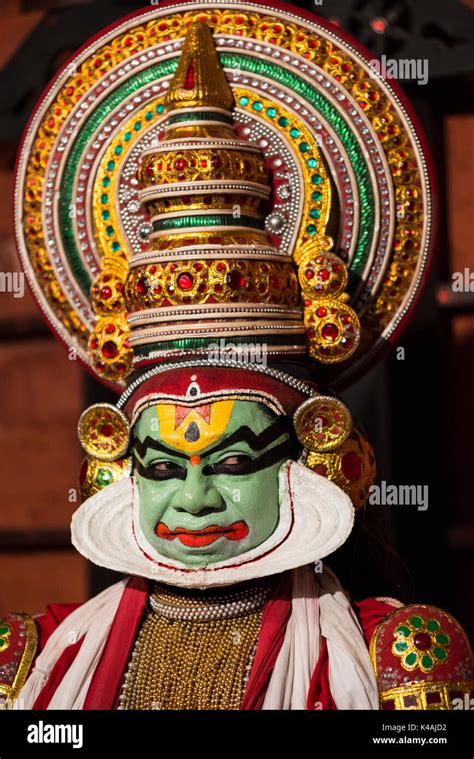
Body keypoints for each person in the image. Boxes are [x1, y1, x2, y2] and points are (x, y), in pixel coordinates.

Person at [2, 3, 472, 710]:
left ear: (308, 453)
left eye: (231, 459)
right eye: (161, 465)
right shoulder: (30, 664)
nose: (193, 500)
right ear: (115, 465)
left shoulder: (399, 663)